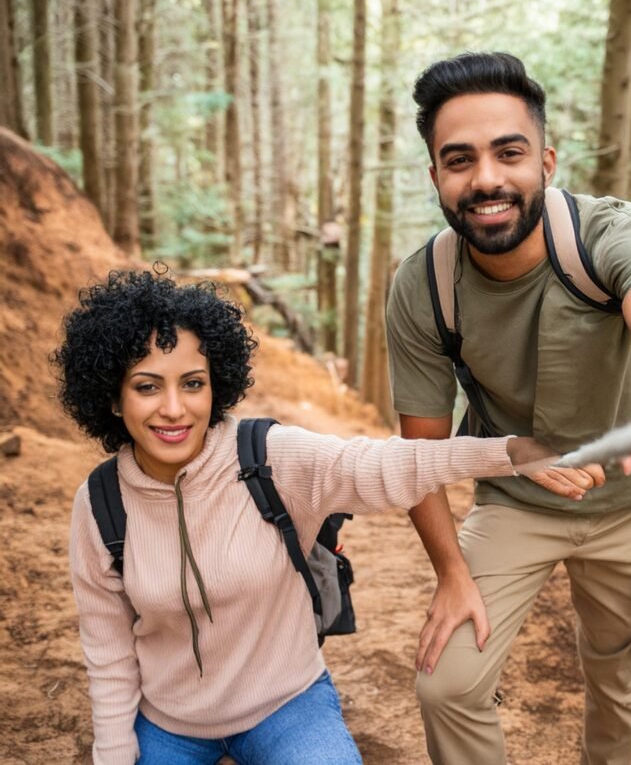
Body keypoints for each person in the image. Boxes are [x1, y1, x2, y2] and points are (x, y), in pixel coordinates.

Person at [55, 269, 602, 765]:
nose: (174, 408)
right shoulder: (100, 505)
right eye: (147, 386)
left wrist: (506, 453)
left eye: (192, 383)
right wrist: (114, 754)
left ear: (215, 385)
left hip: (287, 704)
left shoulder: (268, 458)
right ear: (111, 398)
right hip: (168, 725)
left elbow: (386, 464)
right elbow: (107, 651)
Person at [385, 52, 631, 765]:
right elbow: (417, 457)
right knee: (445, 685)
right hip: (517, 502)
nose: (486, 178)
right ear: (436, 177)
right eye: (459, 161)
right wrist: (452, 574)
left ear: (545, 159)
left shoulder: (611, 234)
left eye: (507, 153)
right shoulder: (425, 286)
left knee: (616, 673)